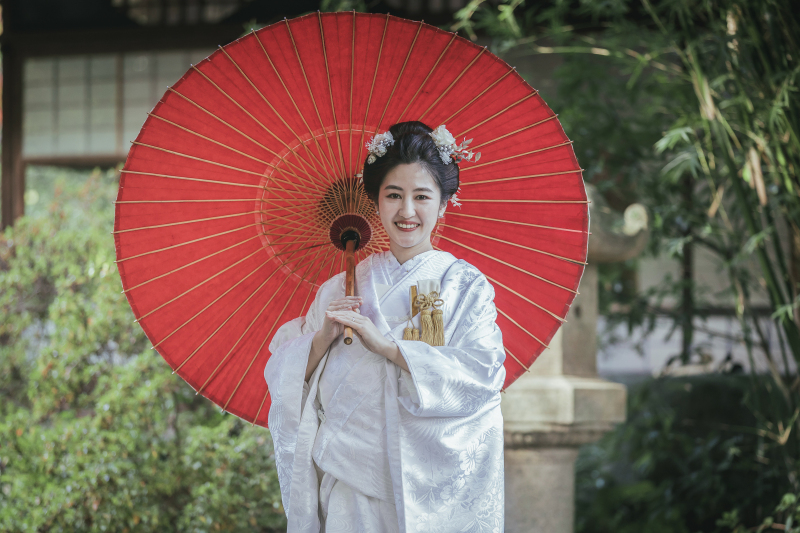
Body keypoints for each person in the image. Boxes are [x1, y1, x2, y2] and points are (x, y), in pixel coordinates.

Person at [264, 121, 505, 533]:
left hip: (431, 478)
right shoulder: (339, 288)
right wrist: (322, 338)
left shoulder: (462, 285)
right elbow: (285, 378)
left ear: (444, 204)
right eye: (393, 195)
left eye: (422, 196)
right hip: (349, 476)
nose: (407, 211)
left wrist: (390, 348)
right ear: (376, 203)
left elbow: (482, 374)